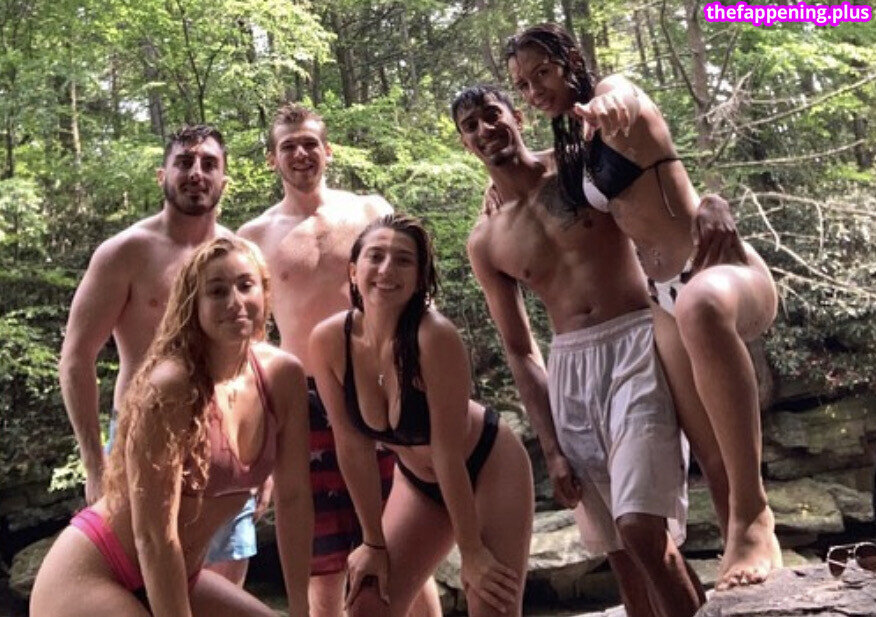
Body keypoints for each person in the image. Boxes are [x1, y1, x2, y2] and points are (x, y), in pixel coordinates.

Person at [504, 22, 781, 589]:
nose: (534, 90)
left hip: (716, 272)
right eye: (523, 84)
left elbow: (624, 101)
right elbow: (536, 171)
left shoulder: (614, 95)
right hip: (662, 299)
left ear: (571, 60)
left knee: (699, 305)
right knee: (710, 451)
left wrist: (613, 106)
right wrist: (500, 184)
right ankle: (745, 558)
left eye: (543, 72)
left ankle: (756, 517)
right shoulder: (573, 146)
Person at [455, 85, 703, 617]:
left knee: (640, 526)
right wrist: (550, 446)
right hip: (570, 368)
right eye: (470, 125)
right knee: (620, 551)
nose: (485, 129)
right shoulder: (485, 239)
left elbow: (660, 185)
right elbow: (519, 349)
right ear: (464, 143)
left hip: (637, 342)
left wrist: (709, 208)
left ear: (517, 116)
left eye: (492, 114)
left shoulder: (580, 170)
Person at [32, 237, 313, 617]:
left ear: (265, 293)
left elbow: (294, 498)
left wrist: (301, 608)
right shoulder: (171, 387)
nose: (235, 301)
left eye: (246, 285)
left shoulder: (283, 376)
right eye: (217, 291)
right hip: (94, 574)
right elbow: (154, 538)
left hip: (181, 575)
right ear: (193, 305)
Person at [238, 104, 440, 617]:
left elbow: (419, 293)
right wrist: (254, 437)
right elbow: (247, 341)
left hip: (381, 383)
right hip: (300, 400)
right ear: (272, 159)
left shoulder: (370, 210)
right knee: (322, 560)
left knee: (404, 542)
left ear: (328, 150)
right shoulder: (253, 237)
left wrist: (427, 378)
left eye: (310, 143)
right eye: (288, 146)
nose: (300, 154)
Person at [58, 125, 263, 585]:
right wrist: (94, 463)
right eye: (184, 163)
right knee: (141, 579)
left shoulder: (238, 258)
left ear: (224, 179)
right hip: (142, 439)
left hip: (227, 442)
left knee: (223, 585)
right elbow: (76, 358)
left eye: (209, 164)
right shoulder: (125, 253)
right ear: (162, 175)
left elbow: (254, 356)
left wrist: (262, 456)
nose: (196, 173)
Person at [309, 214, 534, 617]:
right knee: (367, 605)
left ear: (419, 279)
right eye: (375, 256)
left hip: (487, 467)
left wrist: (471, 551)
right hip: (418, 483)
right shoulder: (329, 341)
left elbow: (448, 452)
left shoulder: (435, 336)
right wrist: (373, 541)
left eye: (403, 260)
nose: (386, 269)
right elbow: (352, 444)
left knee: (491, 604)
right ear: (353, 270)